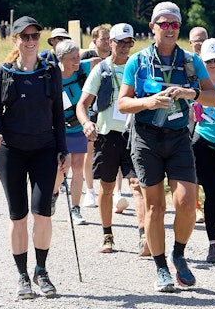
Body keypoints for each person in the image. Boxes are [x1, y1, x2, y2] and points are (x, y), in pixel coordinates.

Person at [118, 1, 215, 292]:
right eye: (164, 24)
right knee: (155, 206)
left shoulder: (190, 61)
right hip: (146, 138)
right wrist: (148, 102)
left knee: (186, 202)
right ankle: (161, 266)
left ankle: (179, 254)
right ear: (152, 28)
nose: (170, 29)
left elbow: (212, 97)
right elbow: (123, 103)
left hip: (177, 137)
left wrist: (190, 92)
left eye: (175, 24)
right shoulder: (138, 61)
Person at [0, 15, 70, 299]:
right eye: (25, 37)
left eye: (35, 36)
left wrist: (63, 150)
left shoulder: (50, 72)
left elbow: (58, 113)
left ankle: (41, 270)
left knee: (43, 214)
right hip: (11, 151)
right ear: (16, 40)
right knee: (19, 216)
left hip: (44, 150)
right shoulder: (4, 73)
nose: (31, 41)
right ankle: (22, 275)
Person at [76, 23, 149, 256]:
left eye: (130, 43)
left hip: (134, 135)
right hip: (107, 136)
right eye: (122, 42)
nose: (126, 47)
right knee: (107, 187)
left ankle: (143, 235)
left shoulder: (139, 68)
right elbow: (82, 105)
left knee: (137, 186)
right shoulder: (102, 69)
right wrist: (87, 123)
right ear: (111, 43)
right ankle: (107, 234)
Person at [51, 39, 97, 225]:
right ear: (61, 59)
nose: (77, 61)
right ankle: (54, 194)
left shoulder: (84, 67)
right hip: (59, 129)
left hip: (79, 126)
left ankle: (75, 209)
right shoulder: (52, 74)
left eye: (78, 56)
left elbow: (102, 61)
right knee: (61, 168)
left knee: (78, 167)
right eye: (72, 58)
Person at [192, 38, 215, 263]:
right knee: (212, 193)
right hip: (203, 144)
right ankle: (212, 243)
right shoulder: (196, 84)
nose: (212, 64)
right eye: (208, 61)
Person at [80, 25, 110, 208]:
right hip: (92, 107)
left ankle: (117, 192)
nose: (107, 42)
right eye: (103, 39)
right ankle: (90, 191)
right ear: (95, 41)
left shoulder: (118, 58)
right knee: (89, 149)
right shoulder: (86, 59)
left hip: (111, 109)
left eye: (109, 38)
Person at [188, 26, 209, 224]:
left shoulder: (214, 62)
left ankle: (208, 202)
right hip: (191, 120)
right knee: (192, 164)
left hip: (210, 120)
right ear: (190, 43)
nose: (200, 44)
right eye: (197, 40)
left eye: (203, 39)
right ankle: (195, 206)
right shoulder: (188, 63)